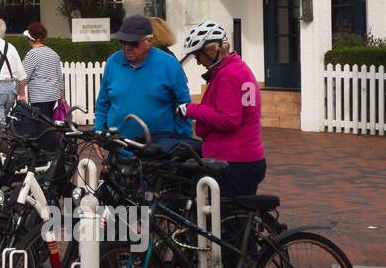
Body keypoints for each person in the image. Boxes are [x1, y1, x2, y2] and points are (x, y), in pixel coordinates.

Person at [179, 21, 266, 197]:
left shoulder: (228, 75)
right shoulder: (236, 68)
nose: (198, 62)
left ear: (213, 50)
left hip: (234, 161)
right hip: (241, 159)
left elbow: (229, 120)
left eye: (198, 56)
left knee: (226, 220)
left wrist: (191, 109)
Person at [93, 13, 192, 148]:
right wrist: (98, 133)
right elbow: (103, 103)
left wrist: (184, 143)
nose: (127, 47)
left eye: (133, 43)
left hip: (159, 150)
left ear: (149, 41)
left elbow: (183, 107)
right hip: (119, 146)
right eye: (123, 42)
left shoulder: (170, 65)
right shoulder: (113, 62)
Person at [21, 22, 64, 121]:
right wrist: (62, 97)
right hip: (53, 95)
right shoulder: (54, 54)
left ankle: (48, 137)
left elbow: (24, 77)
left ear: (30, 39)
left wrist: (18, 91)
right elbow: (59, 77)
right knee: (48, 122)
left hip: (39, 96)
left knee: (41, 126)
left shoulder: (32, 54)